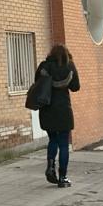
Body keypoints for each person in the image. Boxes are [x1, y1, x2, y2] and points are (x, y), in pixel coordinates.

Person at [38, 44, 81, 188]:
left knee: (53, 140)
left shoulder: (44, 66)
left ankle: (50, 167)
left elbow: (37, 83)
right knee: (63, 143)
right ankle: (63, 178)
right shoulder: (69, 66)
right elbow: (76, 87)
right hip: (63, 110)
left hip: (47, 109)